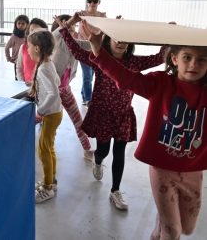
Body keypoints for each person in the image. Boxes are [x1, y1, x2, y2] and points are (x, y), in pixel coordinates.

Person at [83, 19, 207, 239]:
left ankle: (160, 227)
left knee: (186, 228)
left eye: (202, 60)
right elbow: (125, 77)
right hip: (162, 170)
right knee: (174, 232)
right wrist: (96, 49)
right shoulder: (160, 83)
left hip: (193, 171)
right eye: (187, 57)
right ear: (174, 59)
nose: (193, 65)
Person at [59, 14, 167, 211]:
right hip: (103, 114)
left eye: (125, 39)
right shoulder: (100, 59)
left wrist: (170, 36)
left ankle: (115, 190)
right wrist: (64, 31)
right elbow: (77, 52)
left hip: (123, 115)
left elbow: (159, 58)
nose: (121, 42)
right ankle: (98, 161)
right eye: (117, 38)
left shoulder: (134, 62)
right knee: (103, 151)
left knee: (119, 153)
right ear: (108, 39)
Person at [27, 29, 63, 203]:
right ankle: (52, 180)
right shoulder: (48, 64)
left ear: (37, 48)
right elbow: (56, 84)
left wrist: (40, 111)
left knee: (43, 150)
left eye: (29, 46)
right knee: (49, 148)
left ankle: (48, 188)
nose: (27, 50)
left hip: (50, 114)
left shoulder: (43, 68)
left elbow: (53, 93)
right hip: (55, 113)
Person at [51, 15, 93, 160]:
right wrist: (70, 22)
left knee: (78, 120)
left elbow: (93, 46)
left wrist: (107, 33)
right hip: (51, 91)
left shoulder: (77, 44)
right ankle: (47, 149)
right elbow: (54, 34)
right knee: (45, 120)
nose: (70, 30)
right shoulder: (54, 40)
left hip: (65, 90)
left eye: (72, 28)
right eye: (67, 28)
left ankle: (87, 149)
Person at [77, 0, 106, 106]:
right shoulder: (81, 14)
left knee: (92, 75)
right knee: (87, 76)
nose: (92, 3)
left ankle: (84, 94)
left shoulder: (102, 16)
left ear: (99, 2)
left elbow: (106, 29)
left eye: (95, 1)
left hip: (97, 49)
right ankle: (88, 99)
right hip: (83, 48)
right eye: (89, 1)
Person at [16, 18, 47, 86]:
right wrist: (22, 84)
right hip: (26, 89)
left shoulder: (48, 49)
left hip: (42, 89)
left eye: (37, 30)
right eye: (32, 30)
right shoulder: (23, 47)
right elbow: (19, 68)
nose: (34, 33)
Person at [5, 14, 29, 80]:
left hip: (27, 60)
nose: (20, 25)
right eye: (18, 23)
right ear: (16, 24)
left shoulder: (29, 36)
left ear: (27, 25)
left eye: (23, 24)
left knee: (27, 76)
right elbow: (7, 47)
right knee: (18, 77)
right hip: (17, 61)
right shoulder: (14, 36)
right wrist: (9, 58)